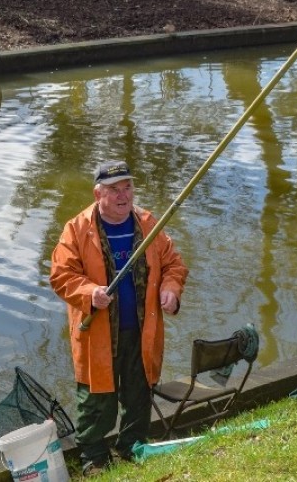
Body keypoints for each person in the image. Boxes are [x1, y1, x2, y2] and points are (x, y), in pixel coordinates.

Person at [50, 160, 189, 476]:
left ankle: (132, 447)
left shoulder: (148, 223)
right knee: (97, 400)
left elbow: (174, 265)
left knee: (139, 392)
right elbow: (61, 276)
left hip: (143, 330)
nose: (123, 195)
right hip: (97, 333)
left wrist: (171, 290)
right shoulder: (76, 229)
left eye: (127, 187)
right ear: (98, 192)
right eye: (114, 189)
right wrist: (89, 293)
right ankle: (94, 456)